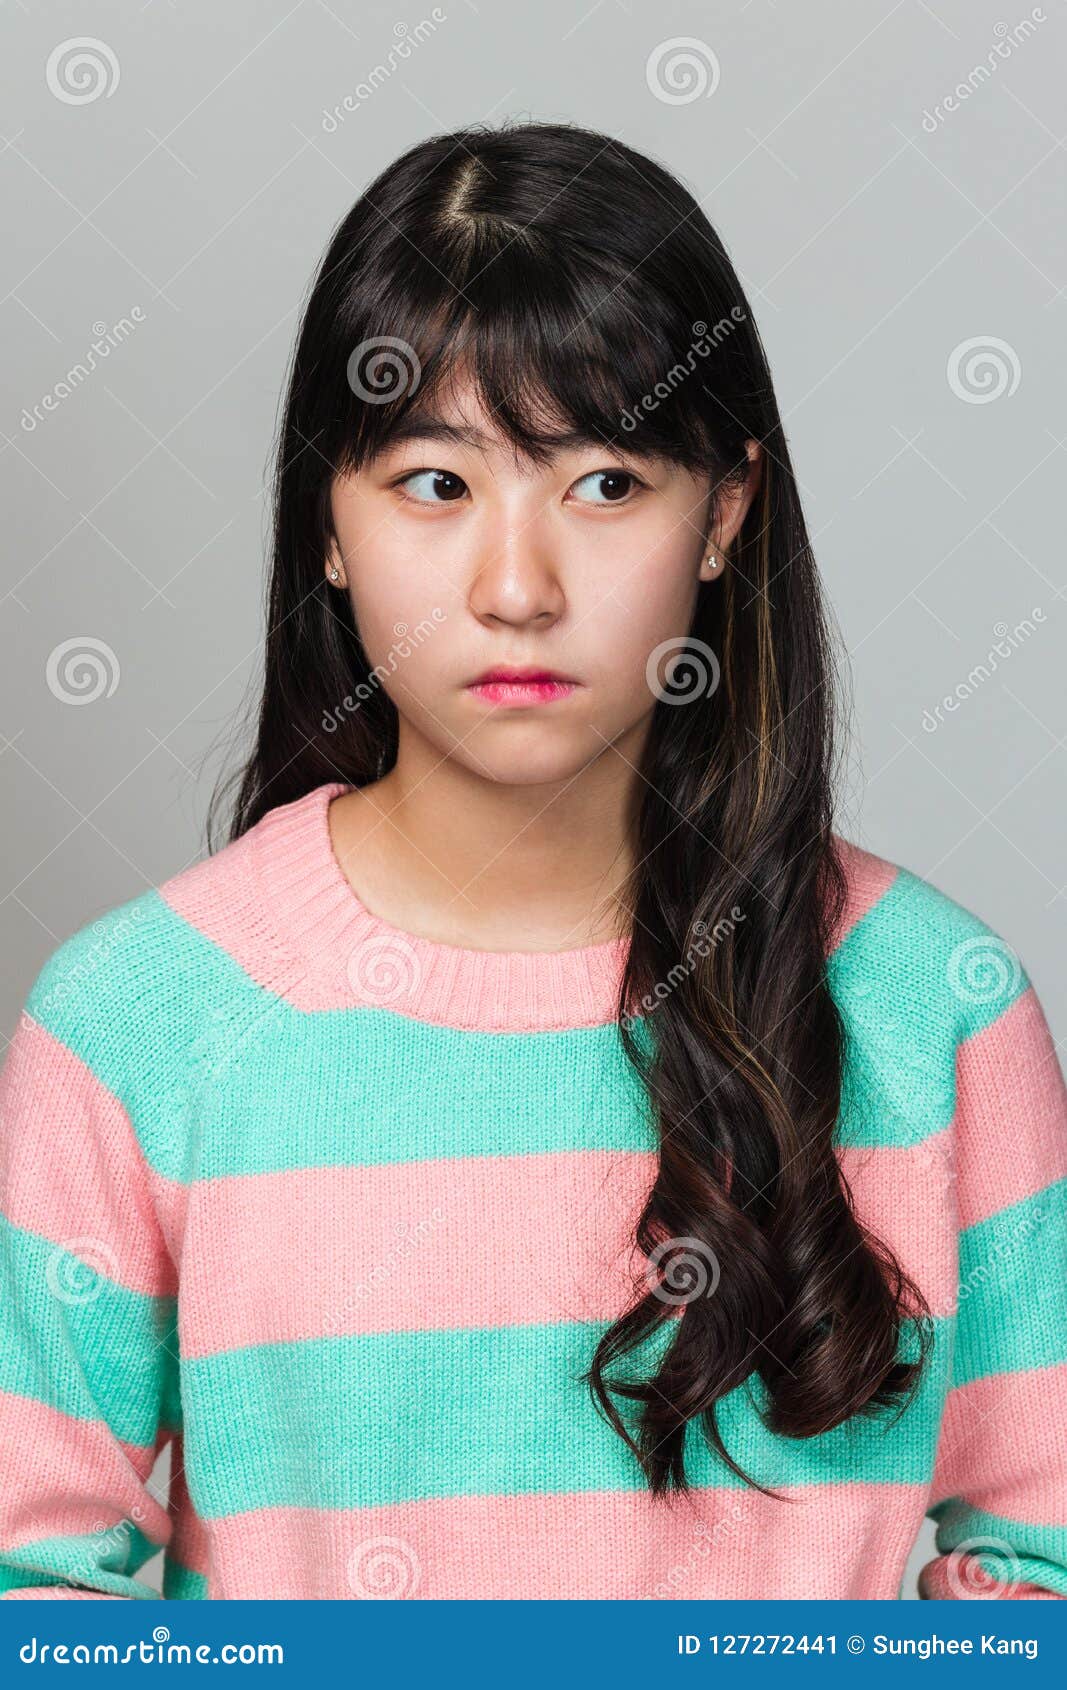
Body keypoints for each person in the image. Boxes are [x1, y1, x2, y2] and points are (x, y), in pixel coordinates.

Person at [1, 122, 1064, 1601]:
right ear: (330, 519)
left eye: (608, 483)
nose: (517, 587)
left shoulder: (934, 1006)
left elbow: (1046, 1562)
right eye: (435, 484)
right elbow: (32, 1588)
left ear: (727, 511)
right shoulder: (133, 1021)